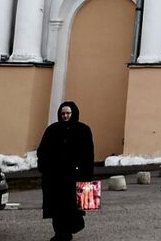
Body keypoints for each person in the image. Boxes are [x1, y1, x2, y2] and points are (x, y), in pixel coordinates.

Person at [37, 100, 95, 240]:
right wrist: (45, 168)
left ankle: (71, 228)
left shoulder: (83, 130)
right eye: (63, 113)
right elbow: (42, 151)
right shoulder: (52, 130)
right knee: (56, 207)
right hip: (55, 177)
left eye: (68, 113)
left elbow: (88, 153)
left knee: (73, 208)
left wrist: (87, 174)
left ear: (73, 113)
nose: (65, 116)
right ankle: (60, 233)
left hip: (75, 175)